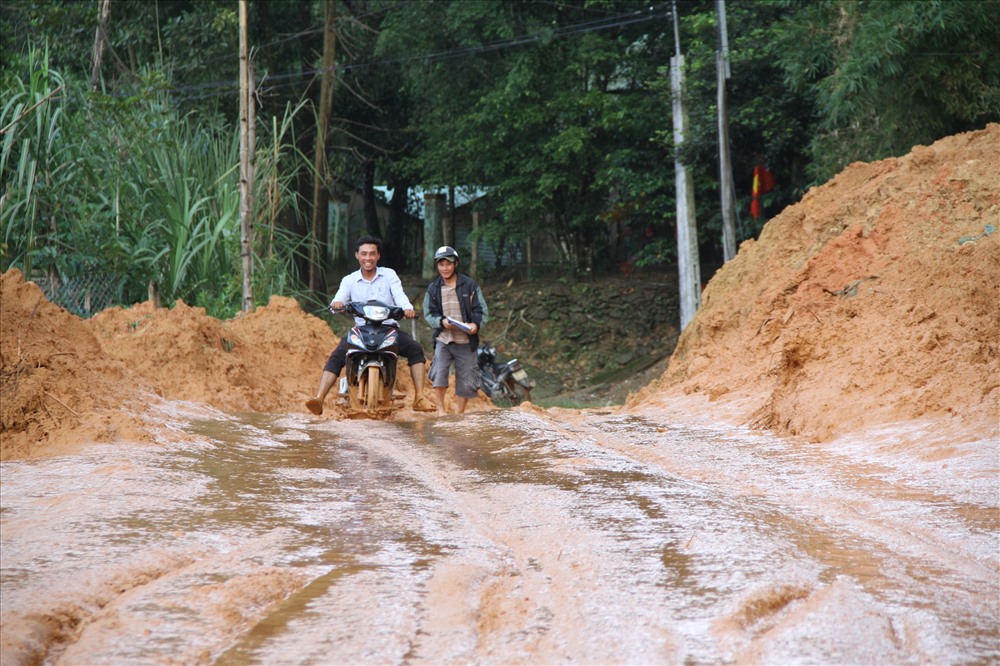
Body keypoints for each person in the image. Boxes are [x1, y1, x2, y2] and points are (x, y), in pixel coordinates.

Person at [306, 235, 435, 414]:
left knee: (415, 349)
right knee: (337, 355)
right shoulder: (349, 280)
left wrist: (407, 308)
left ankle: (419, 397)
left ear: (378, 256)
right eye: (364, 254)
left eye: (372, 254)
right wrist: (337, 304)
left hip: (389, 328)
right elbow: (339, 298)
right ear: (357, 255)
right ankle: (319, 397)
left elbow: (399, 295)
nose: (368, 258)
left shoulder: (389, 275)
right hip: (361, 330)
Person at [422, 246, 489, 415]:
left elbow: (481, 310)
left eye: (448, 264)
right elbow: (428, 313)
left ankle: (460, 413)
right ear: (437, 266)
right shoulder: (433, 288)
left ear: (456, 264)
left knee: (467, 380)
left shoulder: (470, 285)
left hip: (466, 340)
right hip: (444, 338)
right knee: (439, 373)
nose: (445, 268)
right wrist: (441, 321)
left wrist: (476, 325)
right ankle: (440, 410)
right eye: (441, 264)